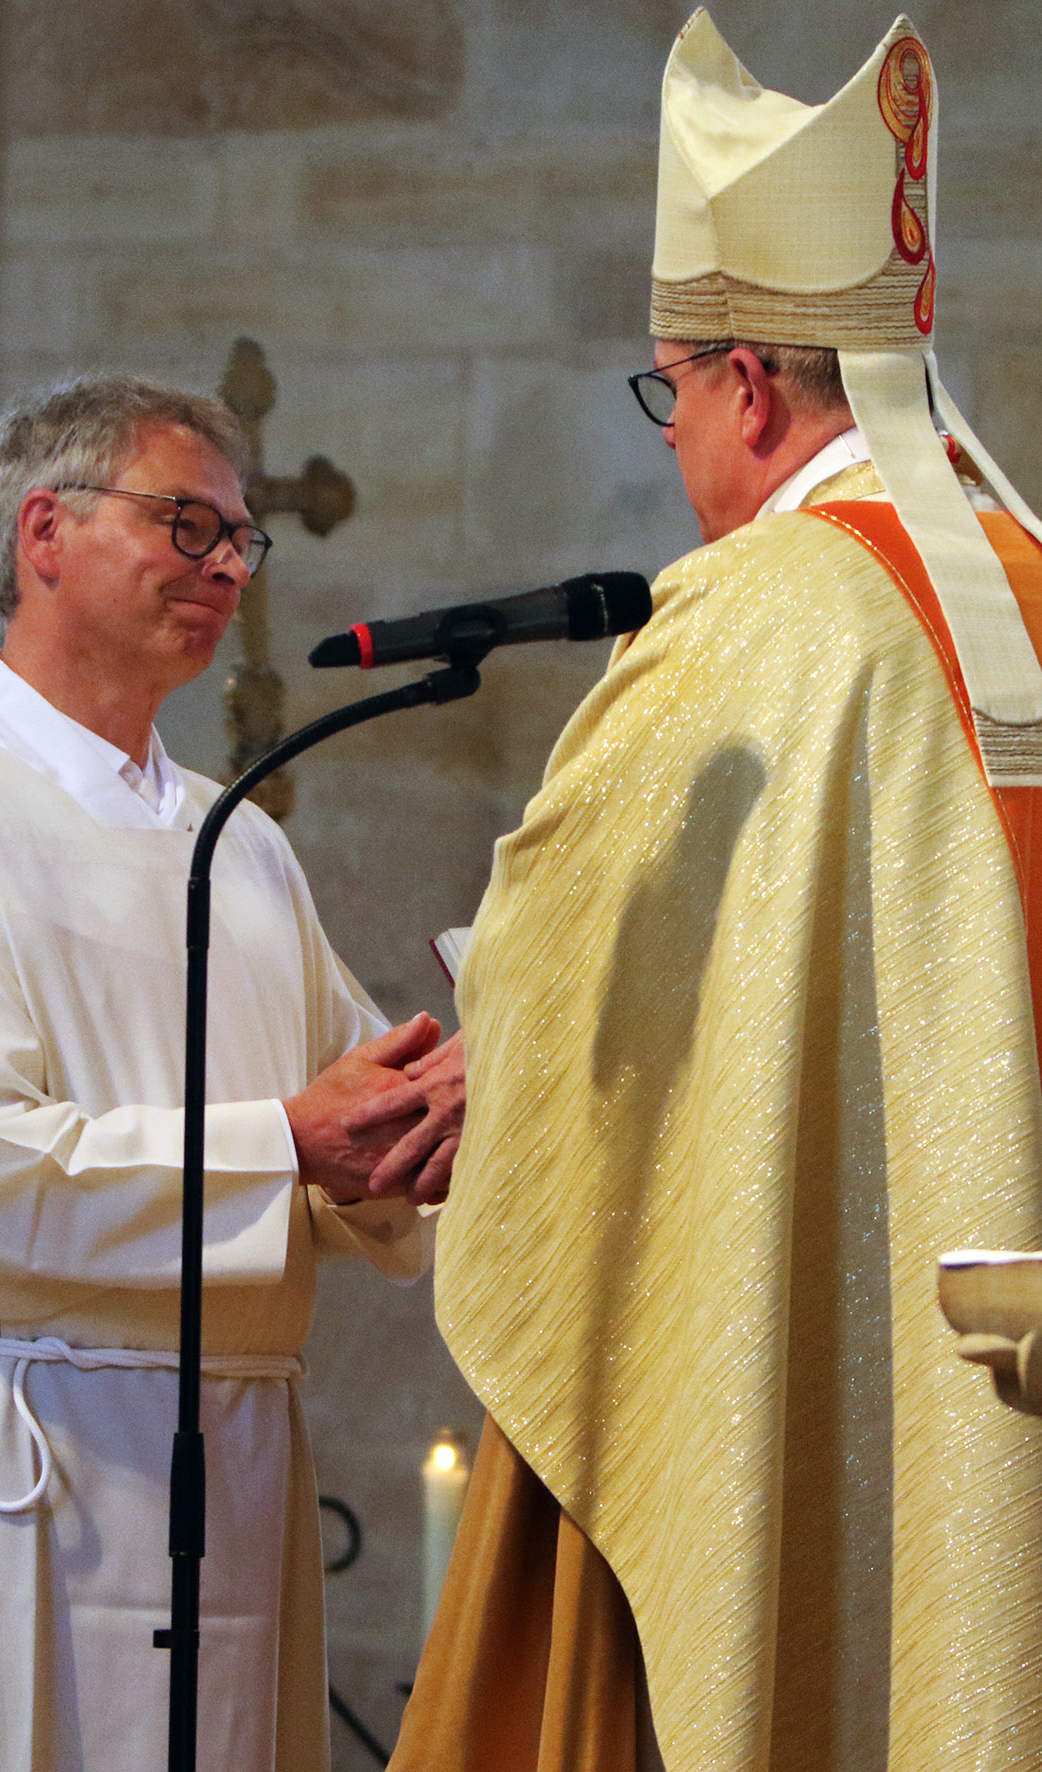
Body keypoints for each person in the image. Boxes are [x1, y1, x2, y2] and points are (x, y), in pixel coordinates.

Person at [376, 12, 1042, 1770]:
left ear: (747, 382)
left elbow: (574, 964)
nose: (675, 446)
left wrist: (485, 1060)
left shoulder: (759, 611)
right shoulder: (1026, 581)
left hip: (848, 1369)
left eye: (668, 390)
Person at [0, 372, 462, 1772]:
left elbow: (331, 1133)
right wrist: (290, 1144)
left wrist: (408, 1130)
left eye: (239, 541)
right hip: (35, 1461)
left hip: (236, 1453)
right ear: (42, 534)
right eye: (184, 523)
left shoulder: (232, 834)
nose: (223, 569)